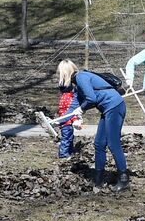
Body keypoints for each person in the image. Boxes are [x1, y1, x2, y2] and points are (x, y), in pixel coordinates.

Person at [51, 60, 128, 190]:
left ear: (65, 73)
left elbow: (91, 99)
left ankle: (124, 180)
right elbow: (73, 107)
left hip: (115, 107)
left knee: (113, 144)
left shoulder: (81, 77)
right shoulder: (77, 86)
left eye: (60, 74)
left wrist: (81, 109)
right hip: (107, 110)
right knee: (99, 143)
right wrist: (58, 121)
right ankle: (98, 179)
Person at [54, 72, 80, 159]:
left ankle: (70, 151)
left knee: (69, 137)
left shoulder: (63, 97)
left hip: (64, 122)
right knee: (67, 138)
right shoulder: (69, 98)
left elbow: (62, 110)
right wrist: (75, 119)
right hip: (67, 122)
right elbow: (71, 111)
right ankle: (64, 154)